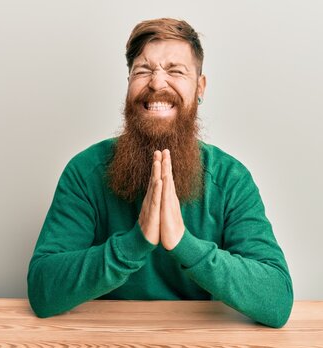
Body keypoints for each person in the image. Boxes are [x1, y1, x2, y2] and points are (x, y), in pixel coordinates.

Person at [27, 18, 293, 328]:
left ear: (200, 87)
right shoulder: (85, 171)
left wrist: (182, 242)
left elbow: (276, 301)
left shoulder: (230, 179)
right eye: (142, 71)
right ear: (128, 83)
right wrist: (135, 243)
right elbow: (42, 292)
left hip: (197, 344)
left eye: (176, 71)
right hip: (103, 340)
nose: (156, 83)